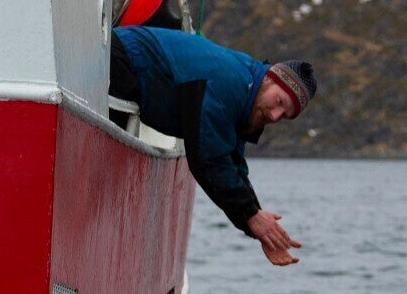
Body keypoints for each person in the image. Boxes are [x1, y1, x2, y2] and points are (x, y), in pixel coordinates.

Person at [109, 25, 319, 266]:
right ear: (270, 78)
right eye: (279, 102)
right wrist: (251, 217)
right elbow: (208, 159)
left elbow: (233, 164)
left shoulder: (247, 92)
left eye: (284, 115)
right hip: (121, 57)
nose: (274, 115)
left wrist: (258, 223)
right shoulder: (229, 82)